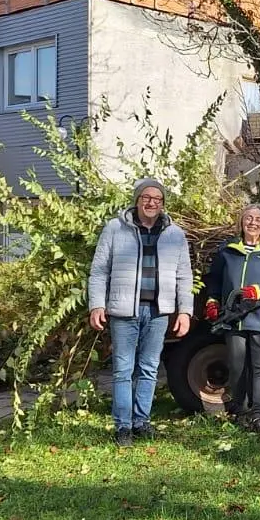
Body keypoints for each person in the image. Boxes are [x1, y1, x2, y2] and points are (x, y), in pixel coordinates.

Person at [88, 177, 193, 446]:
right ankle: (123, 426)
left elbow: (184, 276)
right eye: (146, 197)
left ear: (163, 203)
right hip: (124, 311)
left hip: (158, 312)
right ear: (137, 200)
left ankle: (141, 422)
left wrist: (185, 312)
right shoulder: (115, 229)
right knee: (123, 369)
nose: (151, 203)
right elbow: (99, 270)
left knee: (149, 368)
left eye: (157, 199)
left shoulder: (175, 234)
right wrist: (97, 304)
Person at [203, 204, 260, 434]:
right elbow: (215, 279)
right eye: (248, 218)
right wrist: (212, 301)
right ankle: (240, 411)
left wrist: (259, 291)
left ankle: (259, 414)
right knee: (237, 365)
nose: (253, 223)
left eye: (258, 219)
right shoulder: (227, 250)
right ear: (241, 221)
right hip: (233, 318)